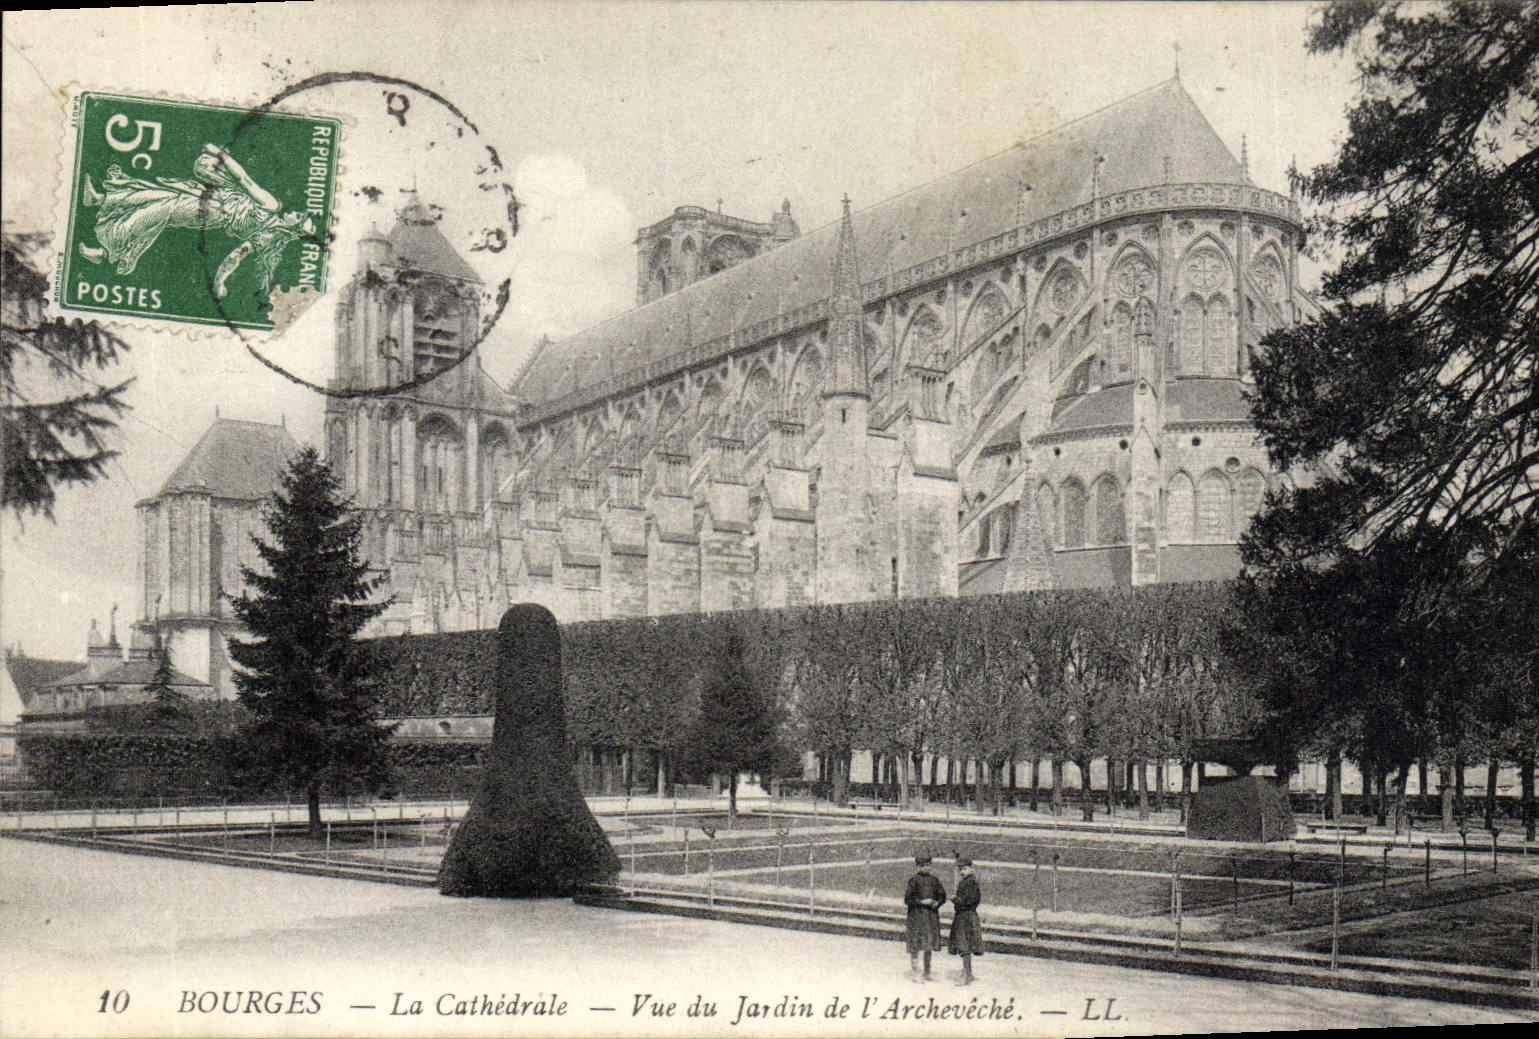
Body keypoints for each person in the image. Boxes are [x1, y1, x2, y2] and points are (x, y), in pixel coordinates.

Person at [903, 853, 946, 979]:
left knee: (928, 944)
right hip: (916, 916)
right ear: (917, 867)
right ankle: (915, 972)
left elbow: (942, 895)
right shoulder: (914, 880)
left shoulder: (934, 880)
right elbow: (907, 899)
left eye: (928, 865)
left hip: (930, 916)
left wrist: (937, 903)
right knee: (916, 943)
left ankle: (927, 972)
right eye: (922, 866)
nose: (926, 868)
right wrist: (921, 902)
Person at [948, 857, 984, 984]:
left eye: (964, 869)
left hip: (966, 917)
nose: (962, 872)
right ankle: (967, 971)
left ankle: (967, 975)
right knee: (964, 943)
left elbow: (968, 901)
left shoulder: (969, 883)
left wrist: (955, 899)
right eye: (960, 870)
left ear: (971, 869)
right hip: (964, 916)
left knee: (964, 944)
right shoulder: (967, 882)